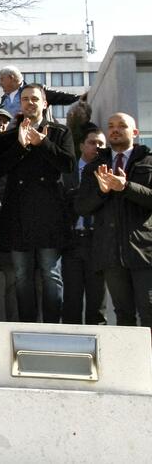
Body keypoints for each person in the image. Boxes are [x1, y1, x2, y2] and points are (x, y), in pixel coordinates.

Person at [0, 84, 75, 322]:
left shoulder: (60, 132)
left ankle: (52, 327)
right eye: (25, 99)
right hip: (18, 215)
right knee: (21, 275)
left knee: (51, 274)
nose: (30, 103)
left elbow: (68, 165)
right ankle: (27, 324)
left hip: (50, 214)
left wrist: (42, 143)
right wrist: (20, 145)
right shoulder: (8, 137)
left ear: (45, 103)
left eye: (35, 99)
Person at [76, 113, 152, 328]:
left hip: (144, 253)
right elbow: (81, 207)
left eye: (121, 126)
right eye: (111, 126)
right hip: (110, 255)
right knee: (123, 316)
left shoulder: (148, 161)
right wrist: (102, 192)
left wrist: (126, 188)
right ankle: (128, 362)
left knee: (149, 312)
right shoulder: (95, 166)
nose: (115, 130)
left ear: (135, 133)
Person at [60, 125, 108, 325]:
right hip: (72, 241)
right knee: (71, 299)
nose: (96, 147)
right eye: (92, 142)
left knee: (97, 302)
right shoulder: (67, 171)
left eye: (100, 144)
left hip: (98, 242)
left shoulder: (108, 172)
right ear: (81, 146)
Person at [0, 65, 79, 120]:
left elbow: (62, 97)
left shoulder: (36, 91)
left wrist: (83, 98)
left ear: (11, 78)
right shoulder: (4, 99)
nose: (0, 84)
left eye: (1, 79)